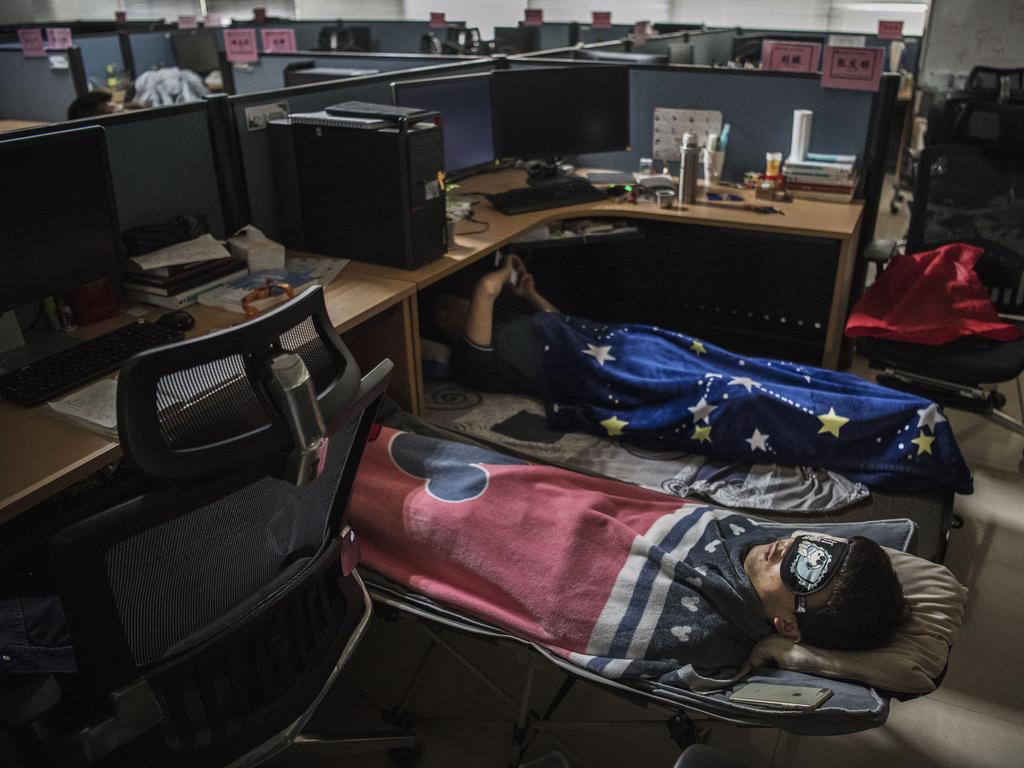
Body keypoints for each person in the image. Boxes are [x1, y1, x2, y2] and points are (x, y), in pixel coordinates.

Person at [432, 255, 973, 495]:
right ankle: (900, 431)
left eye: (454, 303)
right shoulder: (472, 357)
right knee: (731, 395)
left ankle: (895, 408)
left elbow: (555, 321)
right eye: (446, 311)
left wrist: (526, 294)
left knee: (752, 368)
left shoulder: (511, 319)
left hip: (622, 343)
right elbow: (482, 292)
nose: (458, 310)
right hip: (603, 376)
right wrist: (498, 276)